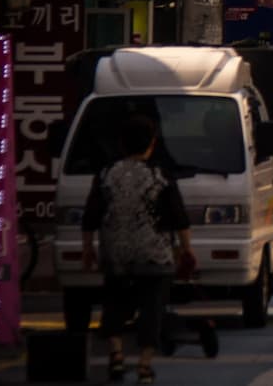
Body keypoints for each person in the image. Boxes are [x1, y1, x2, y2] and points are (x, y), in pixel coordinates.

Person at [82, 116, 193, 385]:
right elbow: (178, 216)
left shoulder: (107, 173)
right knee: (152, 308)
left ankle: (117, 355)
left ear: (121, 144)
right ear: (152, 144)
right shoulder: (160, 175)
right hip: (154, 253)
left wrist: (88, 248)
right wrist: (186, 249)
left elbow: (91, 215)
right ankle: (144, 365)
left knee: (115, 303)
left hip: (115, 252)